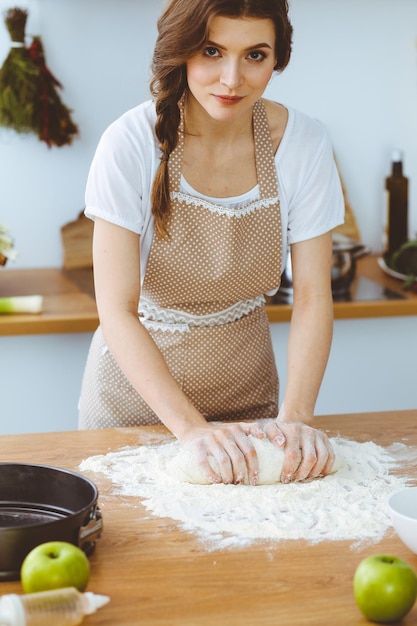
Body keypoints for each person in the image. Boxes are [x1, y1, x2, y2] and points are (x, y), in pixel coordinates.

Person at [78, 0, 345, 486]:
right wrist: (192, 430)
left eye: (255, 56)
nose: (231, 79)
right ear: (181, 51)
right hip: (134, 406)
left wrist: (298, 418)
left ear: (277, 58)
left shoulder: (303, 143)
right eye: (211, 51)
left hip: (251, 402)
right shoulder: (131, 142)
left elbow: (311, 294)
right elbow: (116, 308)